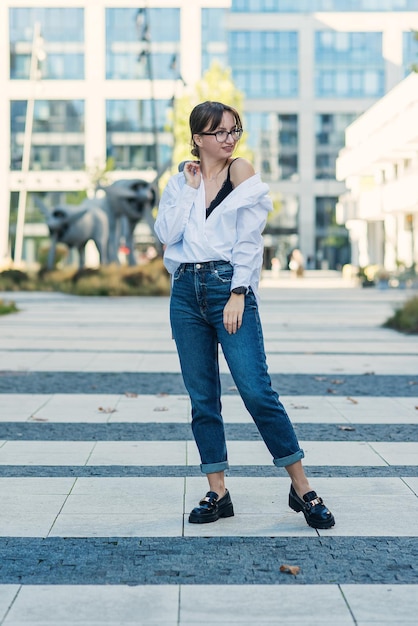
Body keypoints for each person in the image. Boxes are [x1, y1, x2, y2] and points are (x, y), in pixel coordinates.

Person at [154, 101, 334, 529]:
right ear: (198, 138)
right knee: (203, 398)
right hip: (185, 293)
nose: (229, 138)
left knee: (256, 391)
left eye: (234, 130)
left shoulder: (242, 172)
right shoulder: (181, 182)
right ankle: (218, 491)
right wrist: (192, 189)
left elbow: (250, 242)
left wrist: (239, 292)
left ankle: (302, 487)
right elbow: (166, 235)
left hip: (227, 288)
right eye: (219, 132)